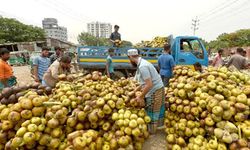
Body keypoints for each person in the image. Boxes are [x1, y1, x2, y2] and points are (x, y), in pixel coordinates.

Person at [127, 49, 165, 134]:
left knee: (152, 108)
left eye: (129, 59)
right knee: (154, 109)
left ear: (130, 57)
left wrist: (140, 96)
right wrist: (135, 90)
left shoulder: (142, 66)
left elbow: (149, 84)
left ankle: (152, 131)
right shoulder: (142, 63)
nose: (129, 61)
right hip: (157, 87)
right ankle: (156, 127)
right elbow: (144, 82)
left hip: (155, 89)